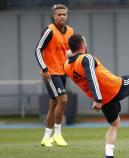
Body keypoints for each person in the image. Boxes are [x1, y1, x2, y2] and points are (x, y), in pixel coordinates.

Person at [35, 4, 74, 147]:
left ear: (67, 15)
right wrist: (44, 69)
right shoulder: (49, 30)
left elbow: (71, 52)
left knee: (54, 104)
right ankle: (57, 134)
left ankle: (46, 138)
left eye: (64, 14)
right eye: (59, 14)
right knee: (63, 99)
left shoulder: (70, 31)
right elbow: (38, 50)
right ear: (54, 16)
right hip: (51, 73)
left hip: (63, 72)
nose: (62, 16)